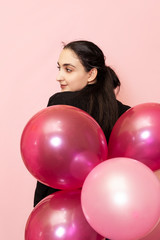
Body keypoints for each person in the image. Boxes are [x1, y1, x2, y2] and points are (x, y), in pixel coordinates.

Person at [34, 41, 130, 238]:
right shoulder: (124, 113)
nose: (59, 77)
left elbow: (47, 163)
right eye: (60, 68)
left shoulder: (61, 103)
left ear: (91, 74)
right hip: (108, 216)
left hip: (60, 216)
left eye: (68, 70)